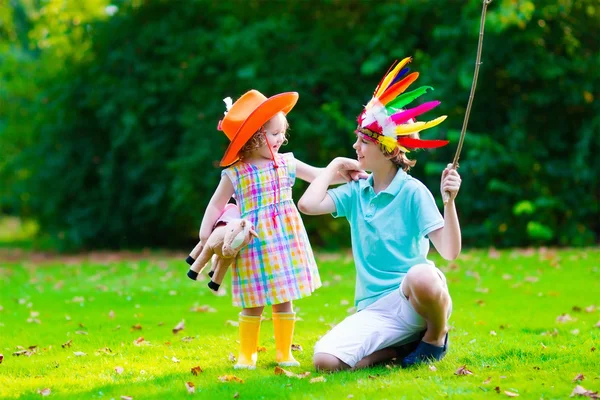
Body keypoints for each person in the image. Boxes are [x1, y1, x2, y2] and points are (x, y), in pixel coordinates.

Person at [298, 57, 462, 371]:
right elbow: (307, 205)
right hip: (374, 310)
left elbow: (450, 251)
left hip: (412, 299)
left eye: (363, 141)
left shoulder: (413, 192)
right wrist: (334, 165)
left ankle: (435, 336)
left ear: (386, 149)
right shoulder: (355, 192)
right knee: (325, 361)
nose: (355, 147)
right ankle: (401, 350)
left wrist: (449, 202)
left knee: (422, 274)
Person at [193, 90, 364, 370]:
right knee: (253, 300)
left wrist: (346, 170)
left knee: (284, 298)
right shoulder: (236, 172)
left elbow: (318, 175)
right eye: (275, 134)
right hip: (253, 243)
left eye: (282, 133)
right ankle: (247, 354)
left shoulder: (286, 162)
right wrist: (205, 234)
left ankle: (284, 352)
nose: (281, 139)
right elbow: (216, 204)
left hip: (286, 239)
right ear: (255, 137)